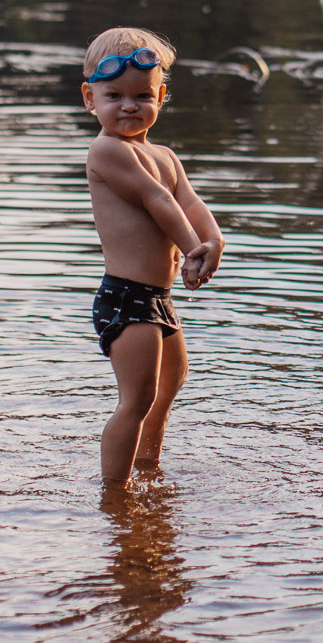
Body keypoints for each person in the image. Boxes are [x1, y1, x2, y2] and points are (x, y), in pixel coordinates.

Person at [82, 26, 225, 485]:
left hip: (158, 298)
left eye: (142, 95)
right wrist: (191, 249)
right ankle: (115, 495)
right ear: (90, 98)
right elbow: (156, 201)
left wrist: (213, 242)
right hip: (126, 297)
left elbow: (189, 202)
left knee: (169, 386)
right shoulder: (108, 151)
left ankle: (149, 465)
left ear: (161, 97)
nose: (128, 105)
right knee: (138, 397)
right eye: (114, 95)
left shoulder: (164, 154)